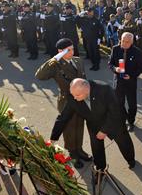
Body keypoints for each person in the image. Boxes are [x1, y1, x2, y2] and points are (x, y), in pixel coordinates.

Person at [50, 78, 136, 171]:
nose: (75, 98)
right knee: (96, 148)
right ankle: (100, 170)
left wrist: (104, 130)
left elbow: (116, 112)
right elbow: (63, 117)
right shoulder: (73, 96)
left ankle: (130, 160)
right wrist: (53, 138)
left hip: (113, 121)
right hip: (94, 123)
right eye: (73, 94)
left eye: (77, 95)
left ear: (87, 89)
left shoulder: (105, 89)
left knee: (124, 142)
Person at [35, 38, 91, 168]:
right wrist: (54, 59)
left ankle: (80, 150)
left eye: (72, 48)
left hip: (80, 99)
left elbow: (84, 80)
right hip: (66, 101)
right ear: (60, 52)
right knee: (70, 128)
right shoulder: (56, 65)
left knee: (79, 125)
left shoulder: (78, 60)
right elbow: (39, 75)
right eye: (68, 50)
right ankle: (73, 154)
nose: (72, 51)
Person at [109, 32, 142, 132]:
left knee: (132, 105)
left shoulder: (137, 52)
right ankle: (123, 118)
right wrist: (115, 69)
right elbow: (110, 63)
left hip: (131, 82)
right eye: (122, 41)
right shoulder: (115, 49)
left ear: (132, 42)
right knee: (119, 103)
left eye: (127, 42)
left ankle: (131, 121)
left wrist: (132, 75)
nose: (124, 43)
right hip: (118, 82)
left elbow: (141, 67)